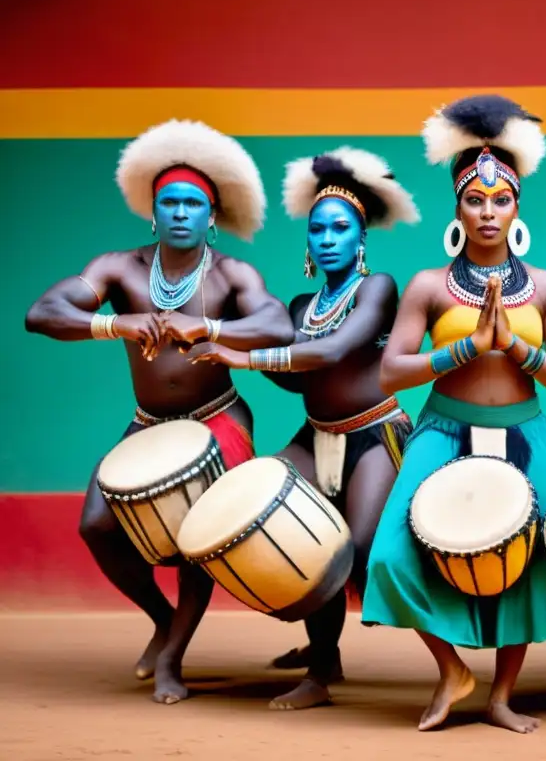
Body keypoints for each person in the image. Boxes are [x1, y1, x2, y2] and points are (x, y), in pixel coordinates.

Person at [24, 119, 295, 704]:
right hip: (149, 424)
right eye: (169, 201)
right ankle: (162, 619)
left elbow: (278, 325)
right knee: (95, 524)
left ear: (210, 215)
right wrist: (112, 322)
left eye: (192, 203)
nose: (179, 212)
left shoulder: (230, 274)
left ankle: (173, 656)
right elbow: (42, 311)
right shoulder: (118, 268)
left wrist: (211, 326)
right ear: (153, 210)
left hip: (217, 417)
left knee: (197, 539)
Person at [360, 95, 546, 734]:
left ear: (517, 206)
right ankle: (452, 669)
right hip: (443, 430)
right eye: (474, 200)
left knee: (532, 556)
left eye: (501, 200)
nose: (488, 211)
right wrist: (463, 348)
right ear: (457, 208)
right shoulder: (429, 286)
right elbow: (391, 372)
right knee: (391, 555)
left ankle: (501, 697)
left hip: (524, 431)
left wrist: (514, 347)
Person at [188, 145, 420, 709]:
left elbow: (334, 350)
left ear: (360, 238)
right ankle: (322, 665)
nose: (328, 238)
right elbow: (299, 380)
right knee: (272, 516)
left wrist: (245, 358)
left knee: (356, 549)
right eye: (319, 230)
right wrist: (225, 354)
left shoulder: (378, 289)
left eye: (341, 228)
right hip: (316, 434)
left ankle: (446, 656)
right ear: (309, 241)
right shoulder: (298, 305)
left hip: (373, 433)